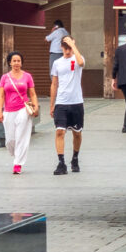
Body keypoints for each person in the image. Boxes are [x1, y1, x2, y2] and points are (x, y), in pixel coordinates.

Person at [0, 51, 38, 175]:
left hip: (23, 109)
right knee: (10, 140)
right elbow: (1, 96)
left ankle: (18, 163)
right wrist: (0, 111)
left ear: (21, 63)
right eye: (14, 61)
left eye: (18, 61)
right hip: (8, 111)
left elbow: (32, 94)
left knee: (21, 136)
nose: (16, 63)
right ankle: (16, 155)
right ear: (10, 63)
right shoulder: (5, 77)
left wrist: (35, 107)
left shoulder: (27, 76)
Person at [50, 35, 85, 175]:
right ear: (61, 47)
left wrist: (73, 45)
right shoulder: (57, 63)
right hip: (61, 102)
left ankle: (75, 158)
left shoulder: (77, 58)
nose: (67, 50)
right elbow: (54, 84)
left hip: (76, 102)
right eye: (65, 46)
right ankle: (61, 162)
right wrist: (52, 104)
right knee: (60, 131)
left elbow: (81, 63)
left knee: (77, 133)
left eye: (69, 47)